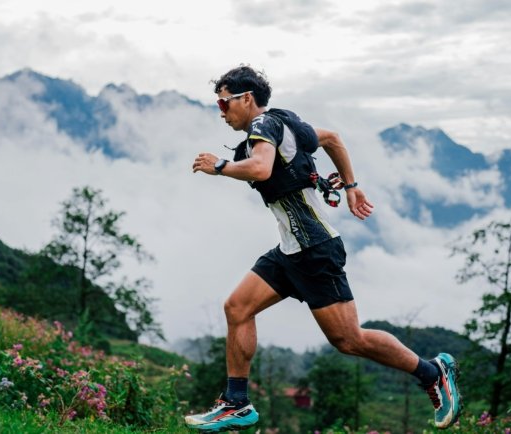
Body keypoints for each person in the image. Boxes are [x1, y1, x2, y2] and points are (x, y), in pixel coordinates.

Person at [186, 65, 461, 432]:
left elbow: (262, 169)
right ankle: (236, 403)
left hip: (314, 250)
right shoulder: (286, 123)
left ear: (246, 99)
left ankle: (433, 372)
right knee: (237, 308)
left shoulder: (262, 127)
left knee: (350, 340)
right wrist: (351, 186)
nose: (221, 112)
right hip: (291, 251)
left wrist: (220, 166)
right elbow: (331, 138)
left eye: (223, 103)